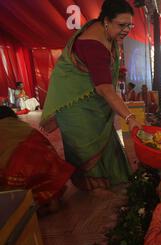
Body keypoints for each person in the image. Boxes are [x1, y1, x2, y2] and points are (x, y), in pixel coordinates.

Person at [41, 0, 142, 192]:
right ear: (106, 21)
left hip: (92, 101)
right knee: (87, 149)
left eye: (130, 25)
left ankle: (113, 185)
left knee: (106, 139)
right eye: (122, 25)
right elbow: (104, 89)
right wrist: (129, 118)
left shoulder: (104, 31)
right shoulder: (93, 45)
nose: (127, 30)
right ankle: (95, 194)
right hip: (76, 105)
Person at [0, 106, 74, 215]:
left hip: (21, 168)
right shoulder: (21, 126)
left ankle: (34, 207)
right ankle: (52, 199)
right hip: (48, 163)